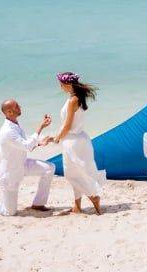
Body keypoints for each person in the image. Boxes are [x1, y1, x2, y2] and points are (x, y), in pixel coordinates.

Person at [0, 99, 54, 216]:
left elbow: (23, 144)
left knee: (49, 168)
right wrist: (40, 127)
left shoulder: (15, 124)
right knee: (9, 212)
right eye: (17, 106)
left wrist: (39, 143)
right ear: (9, 112)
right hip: (10, 173)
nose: (20, 107)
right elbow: (26, 146)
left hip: (23, 164)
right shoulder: (7, 131)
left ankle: (38, 204)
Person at [47, 72, 107, 215]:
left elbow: (67, 126)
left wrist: (57, 138)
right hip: (81, 139)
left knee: (73, 174)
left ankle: (93, 196)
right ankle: (77, 206)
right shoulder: (76, 97)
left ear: (68, 84)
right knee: (78, 172)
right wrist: (56, 136)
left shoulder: (73, 100)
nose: (61, 87)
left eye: (61, 84)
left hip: (72, 141)